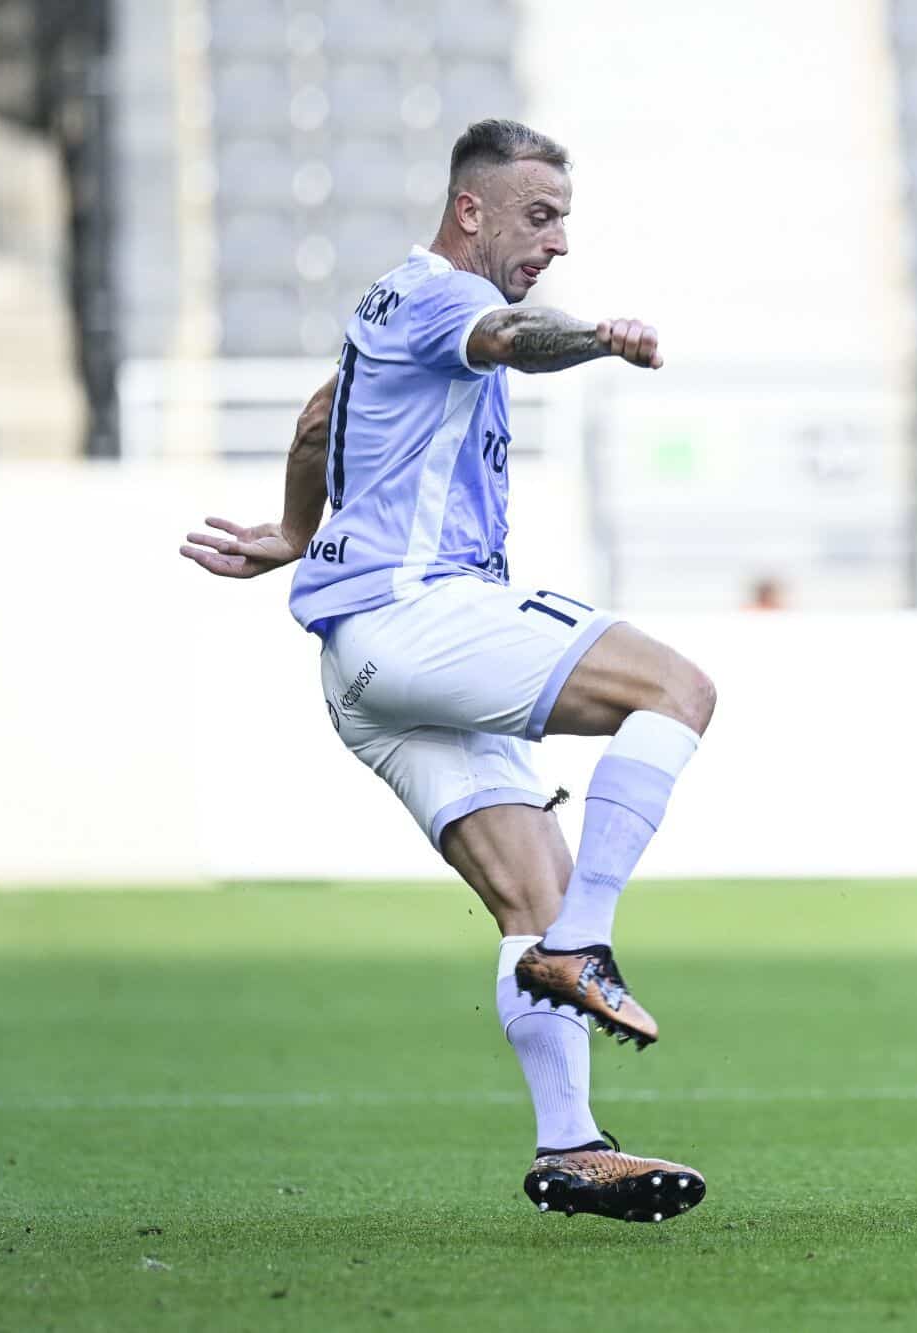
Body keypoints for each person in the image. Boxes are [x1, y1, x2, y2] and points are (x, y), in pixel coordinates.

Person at [178, 119, 712, 1224]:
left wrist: (293, 531)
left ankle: (569, 1145)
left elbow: (322, 418)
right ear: (470, 210)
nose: (556, 240)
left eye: (564, 218)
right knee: (676, 689)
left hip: (360, 671)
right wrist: (600, 343)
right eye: (538, 215)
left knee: (533, 887)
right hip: (420, 616)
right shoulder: (443, 299)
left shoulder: (381, 305)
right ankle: (586, 948)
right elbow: (514, 335)